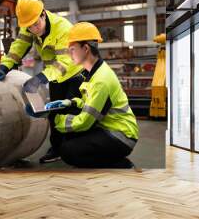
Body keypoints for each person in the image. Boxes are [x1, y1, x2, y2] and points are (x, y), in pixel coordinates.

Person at [0, 0, 84, 163]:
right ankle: (58, 149)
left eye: (36, 24)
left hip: (74, 74)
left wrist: (42, 77)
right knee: (55, 113)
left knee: (72, 111)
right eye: (29, 26)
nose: (33, 29)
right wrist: (4, 67)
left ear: (43, 14)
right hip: (55, 75)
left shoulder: (63, 28)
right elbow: (19, 47)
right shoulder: (29, 25)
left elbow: (66, 62)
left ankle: (77, 147)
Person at [44, 22, 139, 168]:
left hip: (121, 135)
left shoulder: (101, 79)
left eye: (72, 49)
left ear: (86, 48)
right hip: (109, 126)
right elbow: (90, 103)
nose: (69, 54)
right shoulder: (93, 72)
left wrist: (56, 119)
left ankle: (120, 164)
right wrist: (70, 103)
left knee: (68, 151)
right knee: (70, 138)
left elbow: (85, 121)